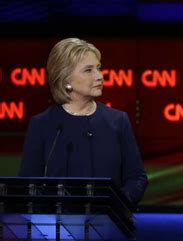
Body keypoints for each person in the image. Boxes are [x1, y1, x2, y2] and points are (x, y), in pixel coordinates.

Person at [19, 38, 148, 205]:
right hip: (55, 227)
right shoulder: (42, 124)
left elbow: (136, 177)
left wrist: (118, 205)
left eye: (99, 68)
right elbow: (27, 185)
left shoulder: (117, 121)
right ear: (66, 79)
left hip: (108, 225)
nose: (99, 76)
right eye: (88, 70)